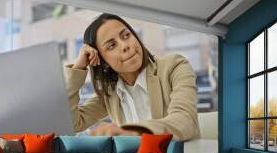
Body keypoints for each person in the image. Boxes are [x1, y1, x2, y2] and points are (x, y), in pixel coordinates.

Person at [64, 13, 199, 141]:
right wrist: (78, 68)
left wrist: (135, 132)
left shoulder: (174, 66)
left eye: (126, 35)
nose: (125, 46)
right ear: (103, 62)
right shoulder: (110, 94)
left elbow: (185, 120)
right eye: (112, 45)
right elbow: (74, 124)